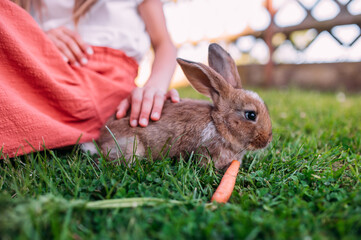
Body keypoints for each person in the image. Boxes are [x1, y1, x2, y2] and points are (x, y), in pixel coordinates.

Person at [0, 0, 179, 158]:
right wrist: (36, 36)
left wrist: (155, 87)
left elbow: (164, 43)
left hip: (97, 82)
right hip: (34, 70)